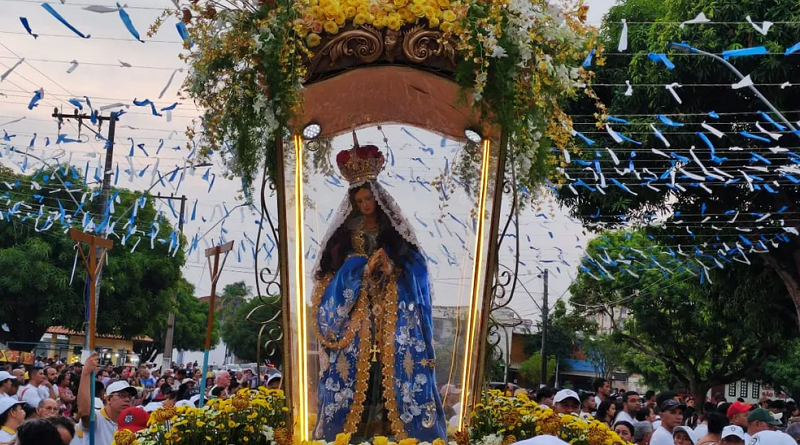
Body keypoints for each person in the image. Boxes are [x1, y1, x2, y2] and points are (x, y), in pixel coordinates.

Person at [311, 142, 445, 441]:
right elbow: (330, 277)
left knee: (396, 372)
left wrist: (392, 269)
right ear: (353, 203)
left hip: (394, 317)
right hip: (358, 320)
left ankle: (393, 432)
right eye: (360, 200)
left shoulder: (395, 233)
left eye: (369, 198)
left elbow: (417, 269)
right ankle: (354, 434)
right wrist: (357, 268)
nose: (366, 205)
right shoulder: (344, 236)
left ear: (378, 199)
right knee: (359, 372)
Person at [76, 352, 138, 445]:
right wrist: (85, 373)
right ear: (108, 399)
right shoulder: (96, 418)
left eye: (129, 396)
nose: (127, 399)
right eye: (122, 395)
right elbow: (84, 412)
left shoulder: (130, 423)